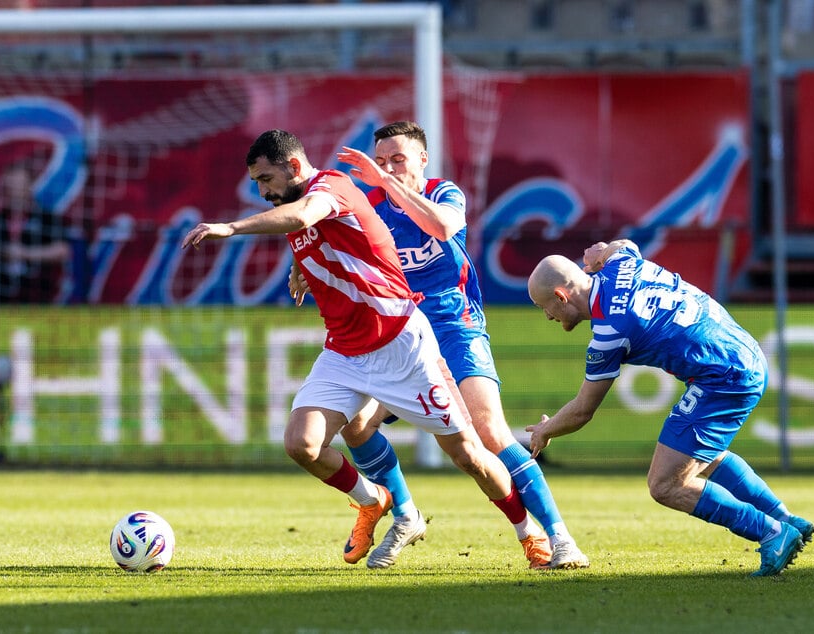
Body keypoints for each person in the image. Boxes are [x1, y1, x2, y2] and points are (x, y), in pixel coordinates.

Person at [182, 129, 547, 569]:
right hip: (345, 353)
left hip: (402, 345)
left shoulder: (329, 187)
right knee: (302, 444)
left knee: (470, 454)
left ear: (294, 167)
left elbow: (305, 218)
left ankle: (529, 531)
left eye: (265, 179)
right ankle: (377, 500)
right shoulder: (293, 203)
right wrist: (302, 270)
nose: (262, 192)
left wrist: (230, 227)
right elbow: (326, 240)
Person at [299, 120, 587, 570]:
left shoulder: (444, 192)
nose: (388, 168)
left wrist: (388, 185)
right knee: (356, 428)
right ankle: (405, 515)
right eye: (381, 161)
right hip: (397, 333)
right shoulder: (368, 204)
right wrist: (303, 268)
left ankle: (555, 537)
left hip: (454, 325)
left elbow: (441, 226)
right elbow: (330, 241)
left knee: (489, 433)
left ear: (422, 160)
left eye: (398, 159)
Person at [524, 239, 814, 577]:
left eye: (544, 306)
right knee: (699, 457)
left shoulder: (608, 332)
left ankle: (771, 533)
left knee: (665, 484)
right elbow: (623, 245)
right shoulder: (622, 265)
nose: (546, 315)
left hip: (722, 375)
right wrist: (601, 252)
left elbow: (582, 410)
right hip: (743, 352)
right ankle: (784, 519)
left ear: (561, 296)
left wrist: (546, 430)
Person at [0, 164, 71, 304]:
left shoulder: (47, 218)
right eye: (12, 185)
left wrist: (24, 253)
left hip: (40, 300)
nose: (16, 190)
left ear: (30, 186)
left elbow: (63, 251)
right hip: (2, 301)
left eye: (20, 184)